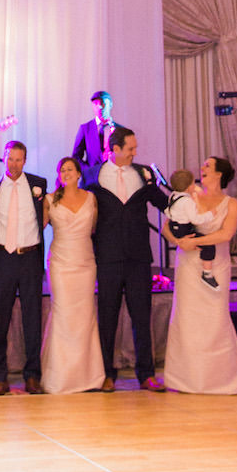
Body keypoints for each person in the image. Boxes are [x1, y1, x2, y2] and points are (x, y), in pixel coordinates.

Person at [88, 127, 168, 392]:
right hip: (107, 257)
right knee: (107, 317)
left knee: (142, 317)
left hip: (138, 257)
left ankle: (146, 374)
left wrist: (188, 203)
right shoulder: (93, 174)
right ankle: (107, 373)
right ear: (115, 149)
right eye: (131, 148)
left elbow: (163, 203)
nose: (135, 153)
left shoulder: (142, 173)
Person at [163, 157, 237, 395]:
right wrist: (178, 241)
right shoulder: (189, 196)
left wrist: (196, 242)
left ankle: (220, 380)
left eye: (208, 166)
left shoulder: (230, 203)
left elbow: (226, 234)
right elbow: (166, 227)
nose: (202, 169)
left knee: (215, 318)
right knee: (187, 318)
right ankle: (185, 379)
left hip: (216, 264)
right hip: (188, 265)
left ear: (220, 174)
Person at [0, 140, 47, 396]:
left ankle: (32, 376)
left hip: (30, 258)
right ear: (3, 158)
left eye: (19, 159)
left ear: (24, 161)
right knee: (0, 318)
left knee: (32, 319)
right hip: (3, 258)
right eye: (10, 158)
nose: (14, 164)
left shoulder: (39, 185)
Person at [40, 158, 104, 394]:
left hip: (85, 262)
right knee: (64, 313)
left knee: (84, 314)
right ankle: (61, 375)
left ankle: (87, 375)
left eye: (70, 169)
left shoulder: (91, 198)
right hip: (61, 264)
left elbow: (95, 228)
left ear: (79, 173)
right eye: (62, 170)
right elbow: (38, 227)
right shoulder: (49, 199)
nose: (66, 173)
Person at [166, 170, 220, 289]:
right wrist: (211, 214)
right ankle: (207, 273)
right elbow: (196, 219)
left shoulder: (173, 196)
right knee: (208, 244)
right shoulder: (187, 201)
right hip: (184, 229)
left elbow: (168, 211)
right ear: (189, 186)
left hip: (173, 226)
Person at [71, 91, 124, 185]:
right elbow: (76, 157)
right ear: (92, 106)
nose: (100, 107)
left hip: (114, 182)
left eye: (103, 103)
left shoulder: (121, 130)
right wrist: (89, 170)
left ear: (110, 104)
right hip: (91, 182)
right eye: (96, 104)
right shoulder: (85, 128)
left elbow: (127, 156)